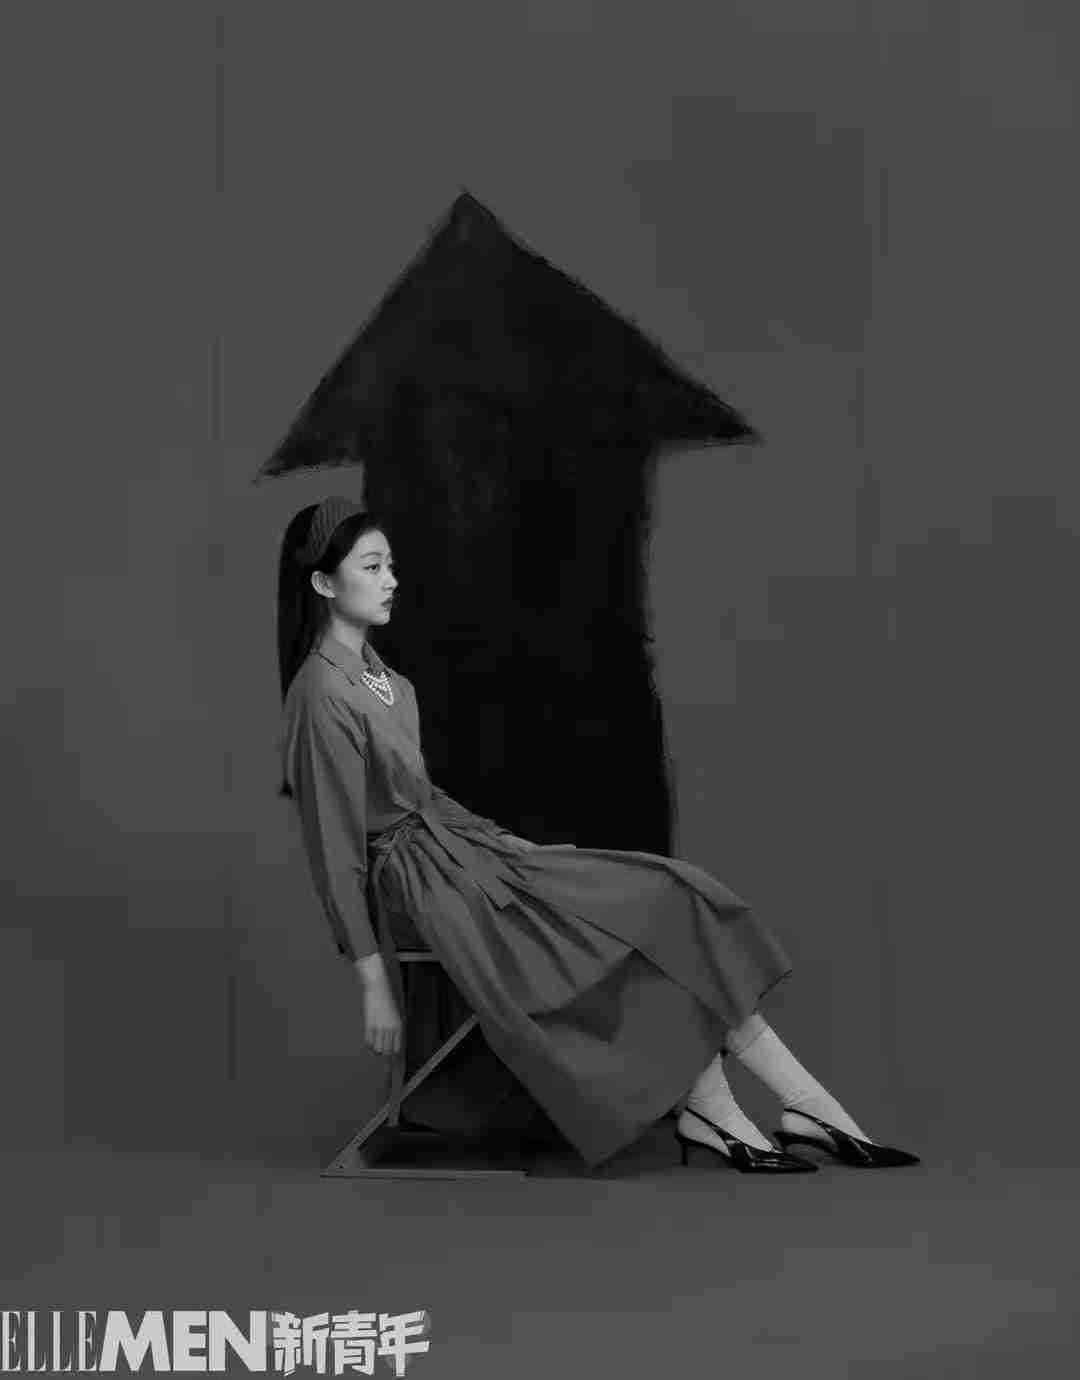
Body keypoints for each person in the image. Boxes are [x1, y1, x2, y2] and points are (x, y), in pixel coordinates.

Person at [276, 495, 920, 1174]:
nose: (391, 580)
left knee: (668, 895)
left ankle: (786, 1105)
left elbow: (426, 797)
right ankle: (742, 1111)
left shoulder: (390, 684)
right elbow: (335, 848)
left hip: (467, 856)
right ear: (323, 583)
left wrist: (507, 847)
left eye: (390, 565)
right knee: (613, 933)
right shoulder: (321, 694)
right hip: (423, 888)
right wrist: (373, 980)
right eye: (372, 567)